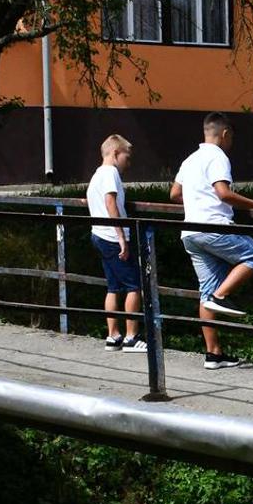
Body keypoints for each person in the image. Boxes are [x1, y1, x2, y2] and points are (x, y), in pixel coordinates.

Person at [169, 113, 253, 370]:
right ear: (225, 134)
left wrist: (197, 201)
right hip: (213, 226)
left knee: (205, 292)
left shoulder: (190, 159)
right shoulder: (218, 157)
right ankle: (221, 295)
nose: (231, 141)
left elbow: (175, 194)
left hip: (191, 232)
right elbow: (223, 193)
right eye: (231, 137)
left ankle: (214, 354)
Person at [86, 134, 146, 351]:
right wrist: (122, 237)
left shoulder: (96, 175)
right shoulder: (110, 173)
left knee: (113, 287)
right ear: (115, 154)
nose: (128, 164)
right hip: (112, 237)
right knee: (134, 286)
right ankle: (132, 336)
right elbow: (110, 202)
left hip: (99, 235)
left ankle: (113, 336)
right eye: (126, 158)